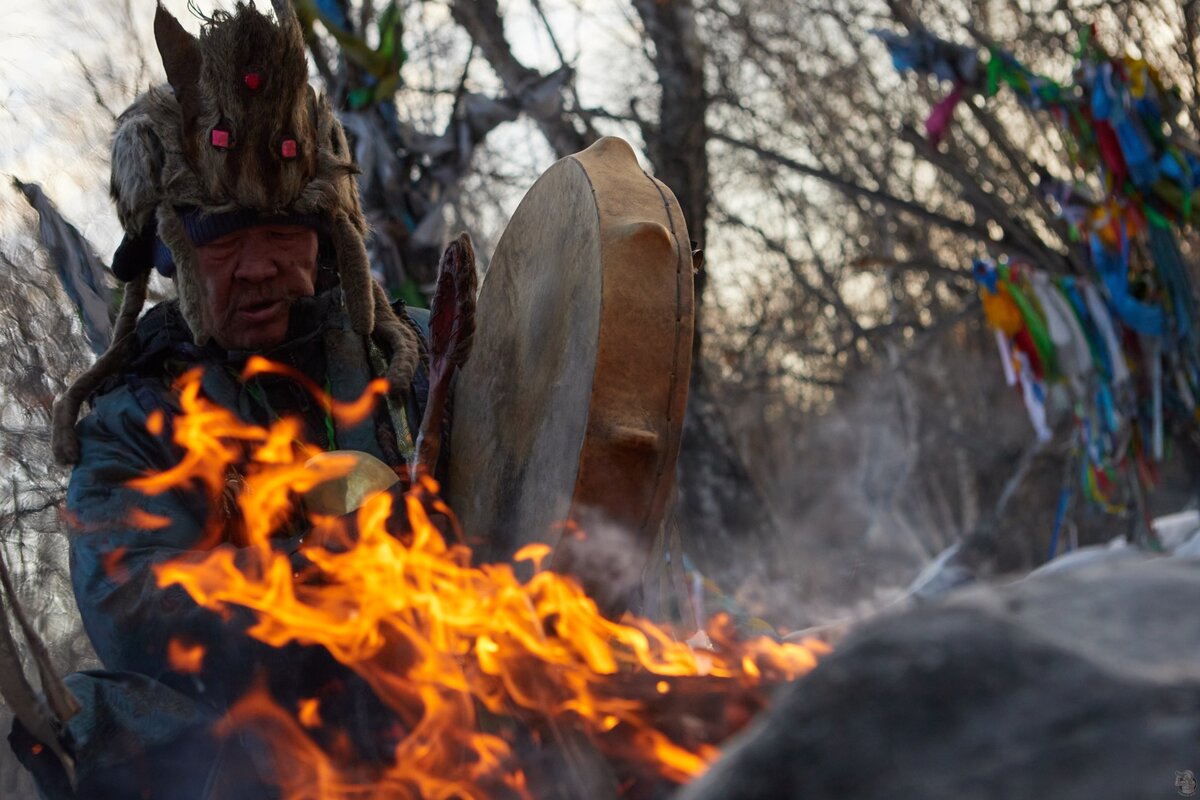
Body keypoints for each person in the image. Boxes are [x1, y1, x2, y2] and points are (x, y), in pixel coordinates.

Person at [10, 2, 436, 797]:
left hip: (466, 714)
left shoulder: (420, 357)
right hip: (275, 761)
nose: (258, 268)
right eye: (226, 243)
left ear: (328, 233)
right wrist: (310, 575)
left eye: (280, 234)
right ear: (173, 251)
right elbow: (131, 604)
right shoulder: (136, 420)